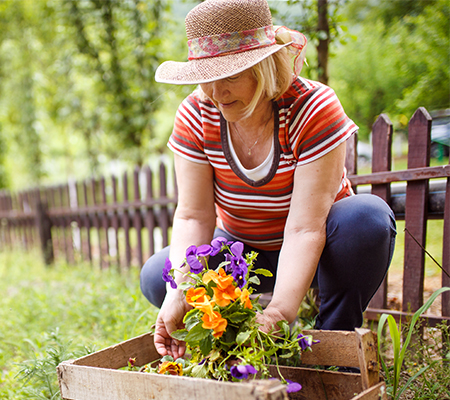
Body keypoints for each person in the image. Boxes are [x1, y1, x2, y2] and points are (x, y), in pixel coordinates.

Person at [140, 0, 396, 359]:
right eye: (207, 77)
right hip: (245, 251)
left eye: (229, 76)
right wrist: (179, 290)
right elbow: (193, 216)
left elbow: (306, 228)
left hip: (323, 249)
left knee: (367, 219)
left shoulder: (312, 108)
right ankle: (234, 339)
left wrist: (279, 313)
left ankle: (332, 344)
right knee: (159, 275)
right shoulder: (196, 115)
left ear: (264, 65)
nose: (216, 93)